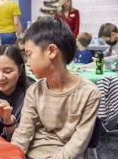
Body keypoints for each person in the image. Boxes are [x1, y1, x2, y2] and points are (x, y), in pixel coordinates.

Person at [11, 16, 101, 159]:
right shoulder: (34, 91)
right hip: (31, 153)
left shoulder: (88, 93)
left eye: (29, 55)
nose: (27, 62)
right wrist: (13, 155)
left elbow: (78, 142)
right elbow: (23, 133)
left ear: (52, 51)